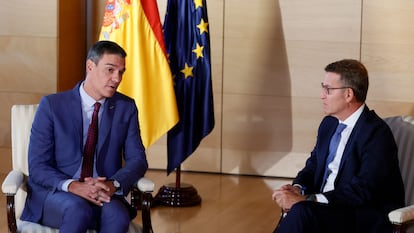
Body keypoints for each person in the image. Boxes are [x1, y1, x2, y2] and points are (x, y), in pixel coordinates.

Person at [20, 40, 148, 233]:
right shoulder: (52, 106)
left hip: (103, 191)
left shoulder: (126, 108)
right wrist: (73, 186)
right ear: (90, 66)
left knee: (118, 216)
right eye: (110, 70)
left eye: (121, 72)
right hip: (58, 192)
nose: (117, 78)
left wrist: (113, 184)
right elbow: (38, 166)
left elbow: (138, 160)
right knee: (77, 210)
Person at [272, 59, 405, 233]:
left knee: (302, 212)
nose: (322, 95)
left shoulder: (376, 133)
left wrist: (309, 200)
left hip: (358, 214)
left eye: (328, 89)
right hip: (324, 209)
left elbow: (364, 190)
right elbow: (312, 166)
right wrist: (297, 188)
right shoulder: (328, 124)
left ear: (348, 94)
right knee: (300, 211)